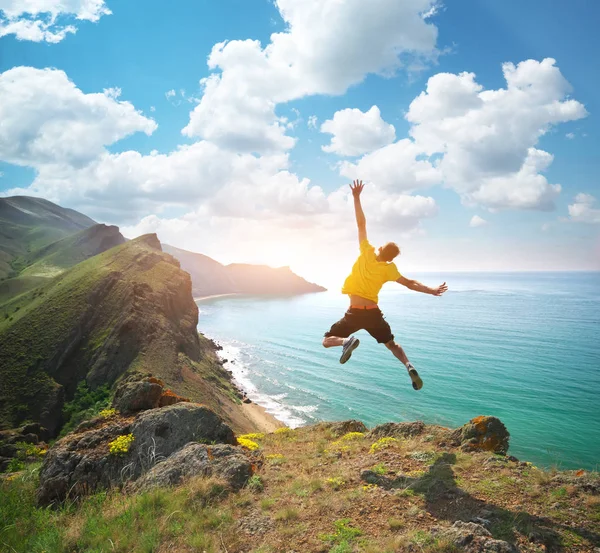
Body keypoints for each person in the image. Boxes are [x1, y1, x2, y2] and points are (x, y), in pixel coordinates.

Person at [322, 180, 448, 390]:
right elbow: (410, 283)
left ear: (380, 248)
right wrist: (431, 290)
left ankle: (345, 343)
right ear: (391, 257)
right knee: (391, 344)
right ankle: (408, 365)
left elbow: (361, 224)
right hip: (373, 314)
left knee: (326, 340)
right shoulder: (390, 269)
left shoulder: (367, 252)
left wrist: (356, 197)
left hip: (354, 312)